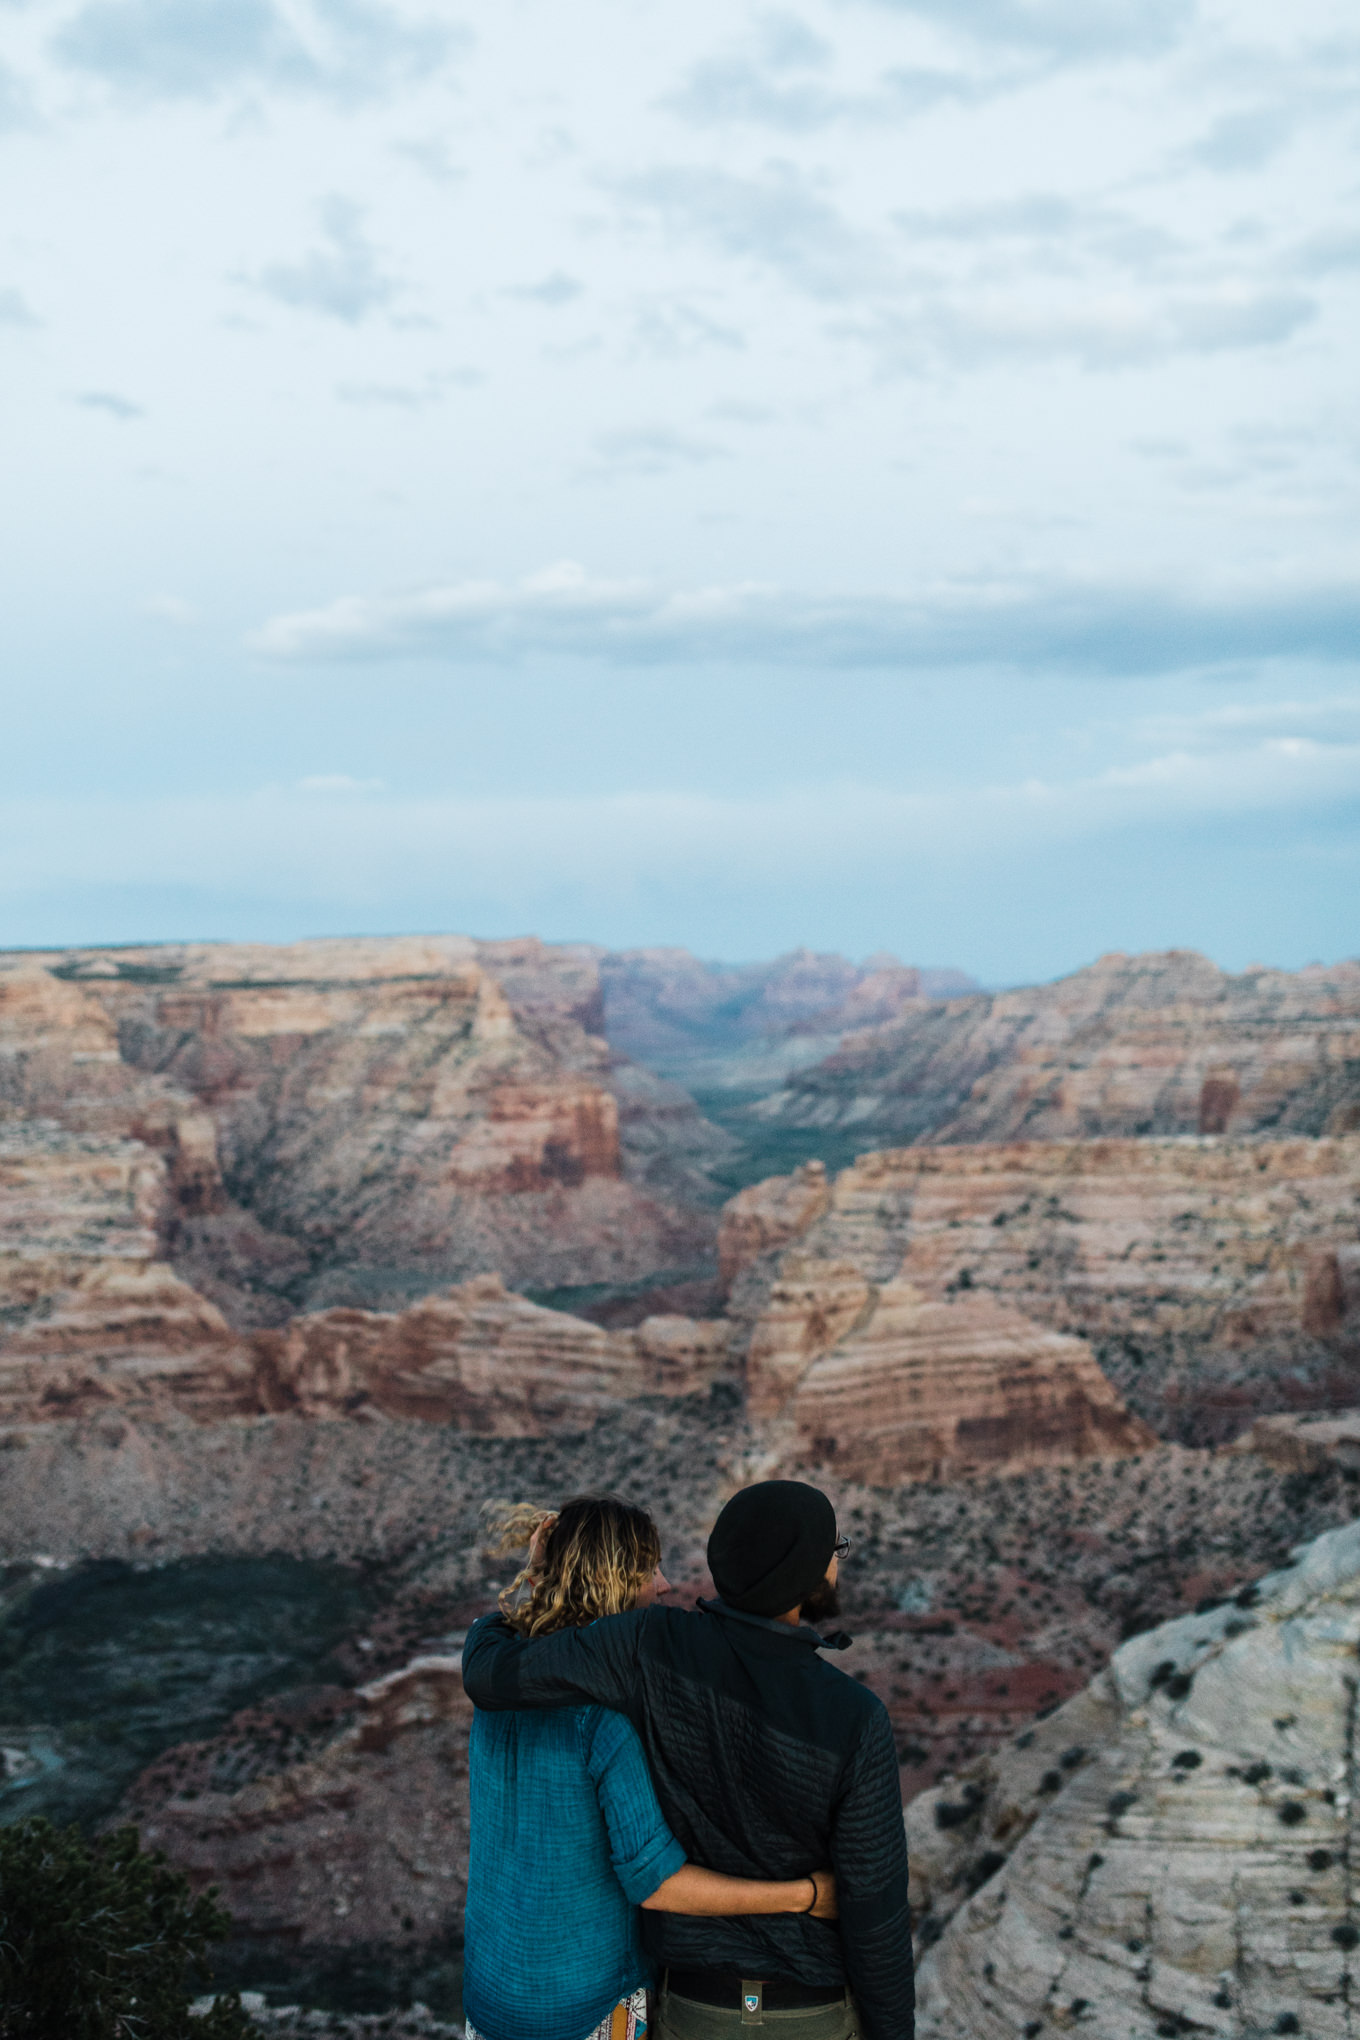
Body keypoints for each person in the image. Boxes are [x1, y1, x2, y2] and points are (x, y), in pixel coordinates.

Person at [462, 1479, 912, 2040]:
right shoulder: (855, 1716)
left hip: (610, 2003)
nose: (666, 1583)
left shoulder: (636, 1651)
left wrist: (530, 1584)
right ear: (812, 1572)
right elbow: (875, 1915)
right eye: (834, 1550)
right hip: (762, 2009)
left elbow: (491, 1672)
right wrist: (813, 1899)